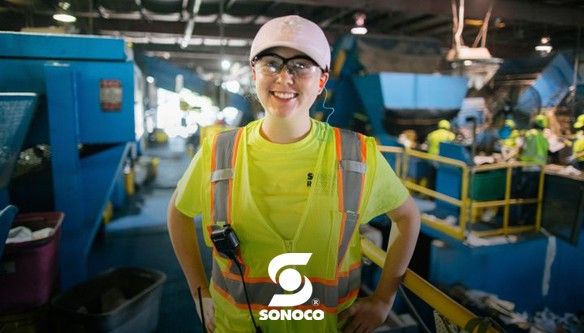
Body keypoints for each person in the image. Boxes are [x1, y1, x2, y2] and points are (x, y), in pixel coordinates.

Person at [167, 15, 420, 333]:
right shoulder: (218, 152)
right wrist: (199, 292)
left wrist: (384, 299)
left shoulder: (355, 156)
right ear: (253, 72)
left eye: (301, 65)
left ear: (322, 80)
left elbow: (408, 217)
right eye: (271, 63)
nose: (284, 77)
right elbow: (178, 213)